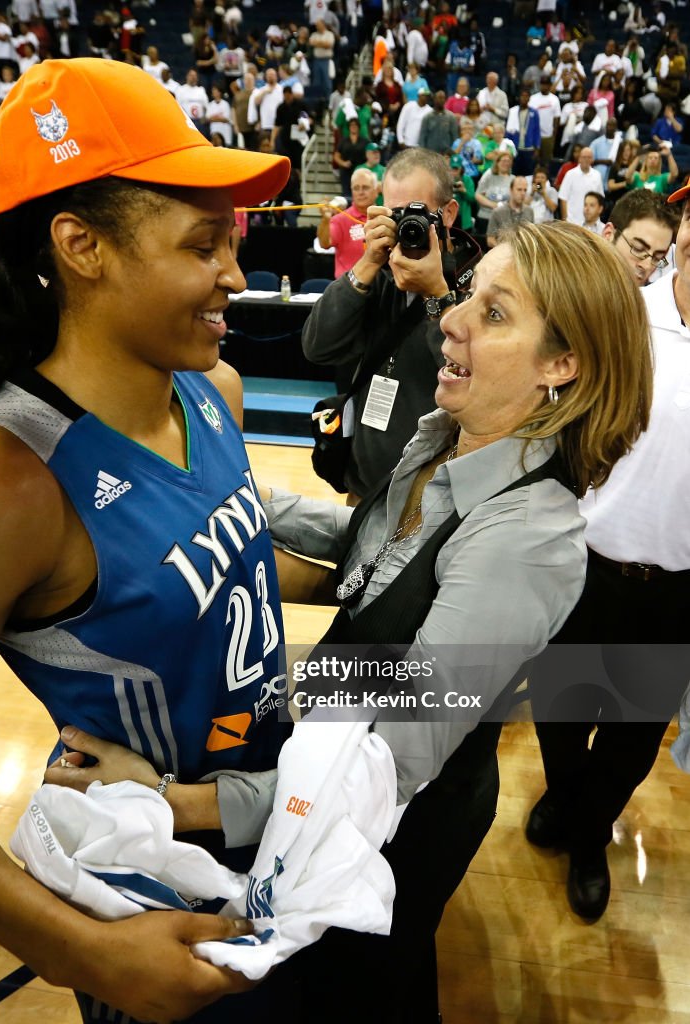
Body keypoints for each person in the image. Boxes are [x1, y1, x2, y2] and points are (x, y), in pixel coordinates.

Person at [0, 58, 293, 1024]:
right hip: (156, 884)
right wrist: (83, 952)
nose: (234, 276)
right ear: (81, 246)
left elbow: (208, 567)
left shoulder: (212, 389)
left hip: (276, 812)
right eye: (204, 243)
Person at [261, 220, 651, 1019]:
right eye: (469, 295)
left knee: (363, 987)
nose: (451, 317)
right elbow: (374, 551)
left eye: (495, 313)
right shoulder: (446, 441)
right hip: (334, 753)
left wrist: (207, 763)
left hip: (392, 812)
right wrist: (247, 506)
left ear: (561, 365)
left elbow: (399, 737)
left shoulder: (528, 538)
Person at [526, 180, 689, 921]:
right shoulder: (623, 315)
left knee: (630, 737)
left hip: (676, 585)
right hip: (584, 561)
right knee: (560, 708)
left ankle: (588, 835)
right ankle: (567, 801)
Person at [302, 148, 482, 501]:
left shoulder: (478, 286)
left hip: (426, 501)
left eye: (417, 213)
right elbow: (316, 347)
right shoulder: (379, 278)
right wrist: (368, 262)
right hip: (362, 488)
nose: (406, 227)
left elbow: (478, 382)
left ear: (447, 214)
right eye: (396, 214)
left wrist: (436, 294)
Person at [317, 168, 379, 279]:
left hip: (380, 286)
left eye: (365, 187)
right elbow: (324, 243)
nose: (360, 192)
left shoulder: (384, 217)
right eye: (356, 188)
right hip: (348, 286)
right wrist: (325, 220)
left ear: (376, 191)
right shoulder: (340, 219)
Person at [558, 147, 604, 224]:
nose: (586, 159)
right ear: (579, 159)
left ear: (592, 160)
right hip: (572, 222)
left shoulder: (597, 175)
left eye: (589, 157)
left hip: (591, 223)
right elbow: (563, 198)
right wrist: (564, 221)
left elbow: (600, 198)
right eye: (584, 157)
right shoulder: (570, 174)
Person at [486, 173, 533, 247]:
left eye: (525, 190)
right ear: (511, 190)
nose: (523, 193)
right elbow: (490, 240)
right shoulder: (498, 212)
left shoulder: (529, 211)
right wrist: (506, 251)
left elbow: (532, 236)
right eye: (519, 189)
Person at [475, 149, 515, 234]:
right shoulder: (488, 176)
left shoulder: (513, 179)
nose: (506, 163)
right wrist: (495, 205)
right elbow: (478, 195)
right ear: (497, 162)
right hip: (485, 217)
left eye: (508, 161)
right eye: (503, 160)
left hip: (504, 219)